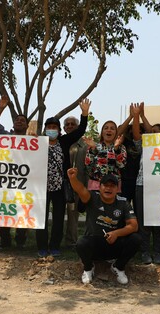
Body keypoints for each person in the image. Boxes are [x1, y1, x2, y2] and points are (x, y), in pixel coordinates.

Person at [36, 99, 90, 257]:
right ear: (45, 129)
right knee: (42, 219)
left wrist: (84, 114)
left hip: (60, 187)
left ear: (59, 130)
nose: (51, 129)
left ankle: (54, 246)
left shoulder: (64, 141)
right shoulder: (38, 143)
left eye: (54, 127)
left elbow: (80, 131)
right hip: (41, 187)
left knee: (58, 219)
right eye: (49, 127)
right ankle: (41, 247)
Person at [68, 170, 142, 285]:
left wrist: (116, 233)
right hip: (94, 245)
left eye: (112, 186)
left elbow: (133, 226)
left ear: (117, 189)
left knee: (136, 239)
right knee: (81, 243)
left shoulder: (123, 203)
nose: (108, 189)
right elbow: (80, 189)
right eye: (105, 185)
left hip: (114, 245)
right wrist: (73, 178)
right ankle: (88, 268)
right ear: (100, 187)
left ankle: (118, 267)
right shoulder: (92, 197)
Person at [123, 102, 160, 264]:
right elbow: (136, 134)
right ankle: (145, 252)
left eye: (155, 132)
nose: (150, 134)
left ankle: (158, 252)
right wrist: (137, 116)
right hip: (142, 185)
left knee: (158, 221)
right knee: (143, 220)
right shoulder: (145, 145)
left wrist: (142, 116)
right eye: (149, 132)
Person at [0, 95, 29, 248]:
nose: (19, 121)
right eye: (17, 120)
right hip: (6, 181)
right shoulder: (6, 137)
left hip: (24, 183)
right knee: (4, 210)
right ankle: (4, 240)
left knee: (23, 211)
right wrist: (1, 107)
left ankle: (20, 241)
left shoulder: (33, 142)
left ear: (26, 126)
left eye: (22, 120)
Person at [63, 116, 89, 247]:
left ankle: (71, 241)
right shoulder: (59, 142)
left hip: (78, 185)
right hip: (61, 183)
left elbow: (87, 168)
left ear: (78, 127)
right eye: (67, 124)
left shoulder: (84, 146)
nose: (69, 126)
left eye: (72, 124)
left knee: (73, 214)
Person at [84, 120, 127, 190]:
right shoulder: (94, 145)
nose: (109, 130)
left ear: (116, 133)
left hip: (113, 185)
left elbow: (121, 165)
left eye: (112, 128)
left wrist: (116, 149)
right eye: (106, 128)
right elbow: (88, 165)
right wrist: (93, 149)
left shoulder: (121, 147)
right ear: (102, 132)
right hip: (96, 185)